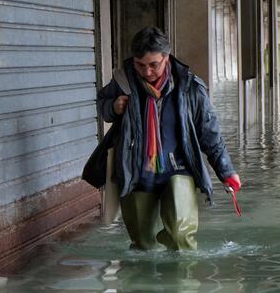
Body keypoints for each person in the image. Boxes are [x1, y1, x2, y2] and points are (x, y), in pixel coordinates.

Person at [97, 26, 241, 250]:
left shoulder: (189, 87)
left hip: (178, 169)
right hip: (136, 171)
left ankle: (181, 283)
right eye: (140, 65)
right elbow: (102, 105)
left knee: (181, 238)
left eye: (153, 65)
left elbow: (209, 132)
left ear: (166, 57)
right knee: (143, 244)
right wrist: (113, 108)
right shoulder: (122, 82)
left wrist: (226, 171)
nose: (146, 72)